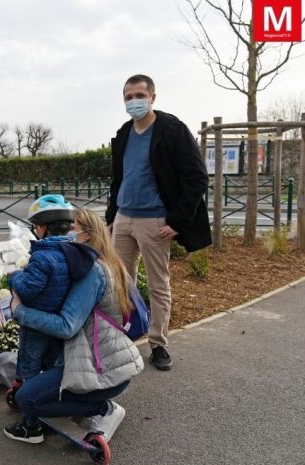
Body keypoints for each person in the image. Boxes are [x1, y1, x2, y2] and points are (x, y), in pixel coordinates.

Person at [4, 208, 144, 444]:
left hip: (102, 370)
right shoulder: (108, 261)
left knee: (27, 399)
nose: (65, 234)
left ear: (87, 235)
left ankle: (101, 408)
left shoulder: (93, 272)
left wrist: (19, 311)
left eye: (71, 229)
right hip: (109, 362)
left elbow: (66, 326)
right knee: (46, 369)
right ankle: (81, 404)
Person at [105, 74, 211, 371]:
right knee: (118, 285)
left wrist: (177, 221)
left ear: (152, 97)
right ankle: (120, 340)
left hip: (154, 221)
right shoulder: (124, 133)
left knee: (157, 285)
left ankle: (158, 344)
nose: (133, 101)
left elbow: (196, 177)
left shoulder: (172, 130)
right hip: (124, 220)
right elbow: (119, 179)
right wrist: (112, 218)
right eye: (128, 96)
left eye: (139, 95)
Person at [8, 195, 95, 387]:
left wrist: (14, 275)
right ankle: (51, 403)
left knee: (30, 368)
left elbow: (27, 290)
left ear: (42, 228)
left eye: (35, 226)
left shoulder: (42, 257)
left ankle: (31, 414)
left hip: (36, 324)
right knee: (54, 367)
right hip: (57, 321)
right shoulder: (72, 251)